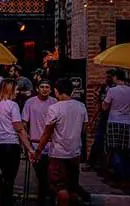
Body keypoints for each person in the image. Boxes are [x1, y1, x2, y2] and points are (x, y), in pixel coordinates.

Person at [34, 78, 88, 206]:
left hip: (58, 153)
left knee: (59, 186)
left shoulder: (54, 108)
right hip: (75, 152)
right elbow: (85, 128)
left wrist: (38, 150)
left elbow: (47, 133)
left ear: (57, 91)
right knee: (73, 186)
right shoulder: (81, 106)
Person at [0, 79, 34, 206]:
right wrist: (29, 148)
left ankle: (5, 200)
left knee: (4, 175)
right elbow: (19, 128)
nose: (18, 91)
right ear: (10, 90)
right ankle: (7, 202)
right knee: (10, 177)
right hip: (11, 144)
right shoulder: (13, 105)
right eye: (16, 89)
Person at [22, 79, 58, 206]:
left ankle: (49, 199)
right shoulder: (30, 102)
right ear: (37, 89)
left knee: (51, 176)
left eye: (47, 87)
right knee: (42, 176)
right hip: (35, 143)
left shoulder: (55, 102)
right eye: (42, 87)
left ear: (51, 89)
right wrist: (26, 142)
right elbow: (24, 123)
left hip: (52, 145)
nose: (44, 89)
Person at [102, 68, 130, 186]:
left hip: (114, 121)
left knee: (114, 149)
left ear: (116, 77)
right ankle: (129, 177)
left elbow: (105, 107)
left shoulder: (112, 90)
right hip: (127, 122)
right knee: (126, 151)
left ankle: (120, 177)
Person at [88, 69, 114, 171]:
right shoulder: (104, 88)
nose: (107, 79)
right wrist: (92, 120)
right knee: (98, 139)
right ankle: (93, 162)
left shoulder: (115, 89)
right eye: (106, 77)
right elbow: (99, 105)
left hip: (112, 117)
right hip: (103, 117)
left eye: (109, 77)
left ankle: (107, 165)